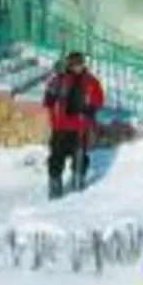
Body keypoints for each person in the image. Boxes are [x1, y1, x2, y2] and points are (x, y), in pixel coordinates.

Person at [42, 51, 104, 199]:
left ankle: (78, 181)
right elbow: (48, 98)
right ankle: (55, 185)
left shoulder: (90, 81)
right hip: (60, 126)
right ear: (69, 64)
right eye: (74, 64)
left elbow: (98, 97)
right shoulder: (59, 79)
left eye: (80, 64)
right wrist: (51, 95)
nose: (78, 67)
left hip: (80, 127)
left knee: (80, 156)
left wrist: (92, 108)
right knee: (56, 156)